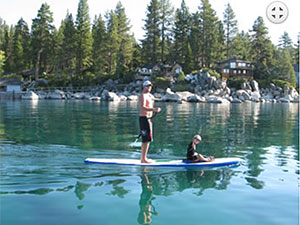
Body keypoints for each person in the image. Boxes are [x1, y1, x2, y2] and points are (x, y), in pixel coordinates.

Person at [139, 80, 161, 163]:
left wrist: (154, 110)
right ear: (144, 87)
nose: (149, 87)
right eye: (147, 86)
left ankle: (144, 158)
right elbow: (143, 107)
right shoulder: (143, 96)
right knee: (145, 139)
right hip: (144, 118)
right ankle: (143, 159)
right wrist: (154, 109)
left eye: (150, 86)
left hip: (148, 118)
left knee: (148, 139)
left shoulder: (149, 96)